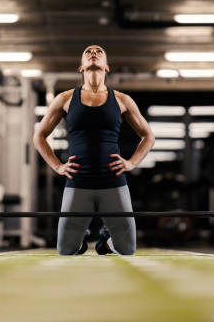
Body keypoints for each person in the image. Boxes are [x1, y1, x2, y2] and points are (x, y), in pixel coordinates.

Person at [33, 45, 155, 255]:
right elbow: (39, 136)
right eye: (88, 52)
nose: (93, 53)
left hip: (113, 181)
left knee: (127, 249)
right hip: (78, 181)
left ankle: (105, 243)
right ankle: (81, 241)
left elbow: (148, 136)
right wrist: (58, 166)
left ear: (107, 67)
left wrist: (132, 162)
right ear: (81, 67)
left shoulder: (122, 100)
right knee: (65, 250)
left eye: (99, 52)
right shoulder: (65, 99)